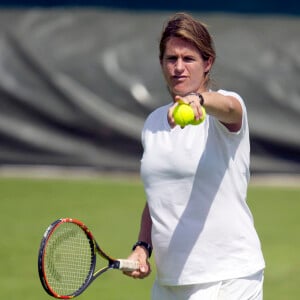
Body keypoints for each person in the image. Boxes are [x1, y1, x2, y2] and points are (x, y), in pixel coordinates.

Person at [125, 12, 265, 300]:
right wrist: (142, 246)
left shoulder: (225, 110)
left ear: (207, 63)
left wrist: (200, 99)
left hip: (229, 278)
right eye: (170, 58)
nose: (178, 67)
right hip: (170, 282)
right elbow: (159, 196)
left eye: (188, 59)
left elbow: (229, 107)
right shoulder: (153, 123)